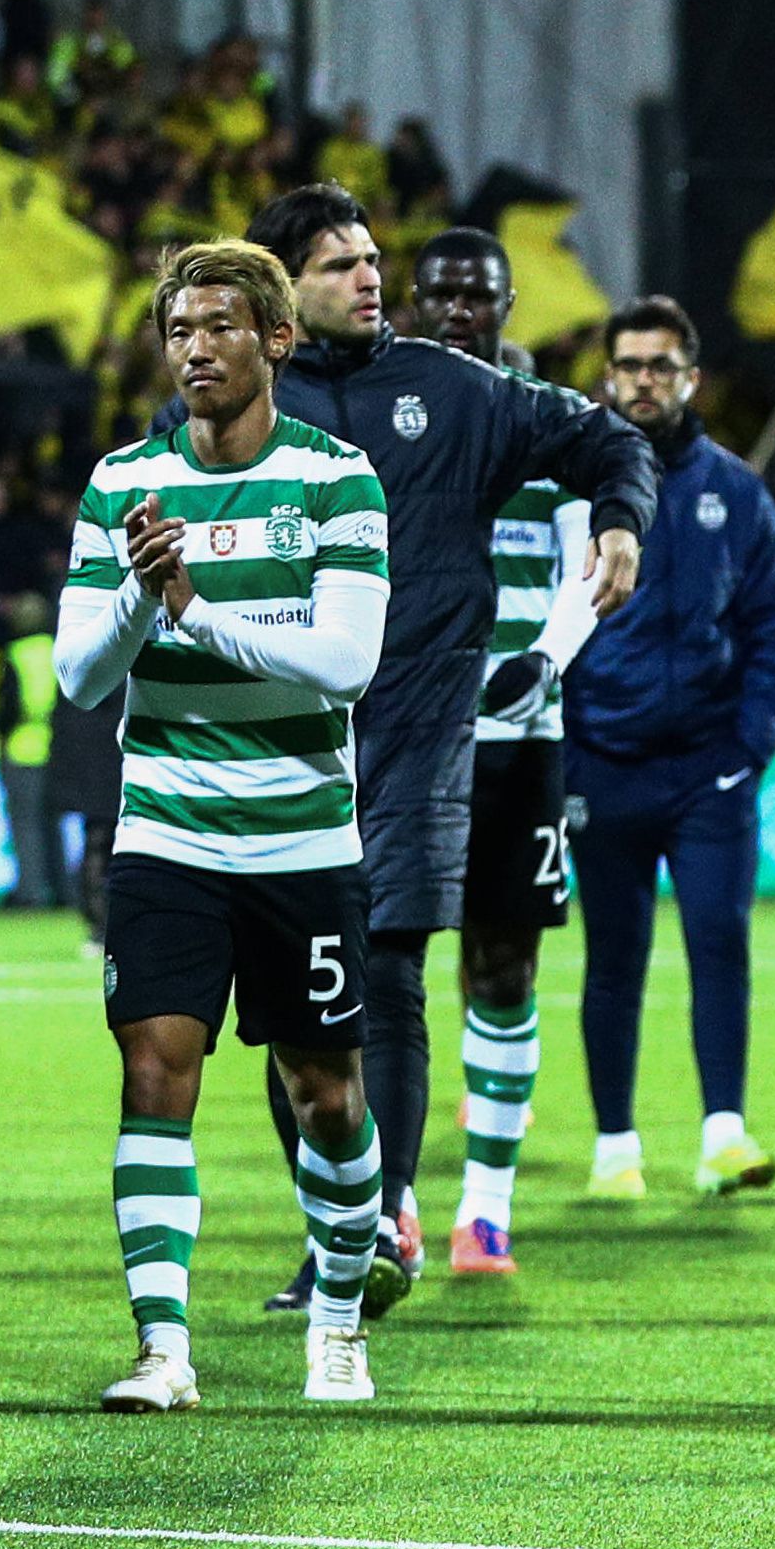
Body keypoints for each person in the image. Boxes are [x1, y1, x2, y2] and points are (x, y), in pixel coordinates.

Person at [209, 183, 653, 1313]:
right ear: (279, 293)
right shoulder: (234, 406)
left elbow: (607, 439)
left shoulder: (453, 389)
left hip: (418, 728)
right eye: (340, 263)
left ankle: (388, 1215)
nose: (371, 276)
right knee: (292, 1006)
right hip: (280, 741)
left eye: (372, 257)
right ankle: (333, 1228)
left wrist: (619, 519)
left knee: (391, 972)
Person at [59, 241, 393, 1408]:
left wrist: (194, 610)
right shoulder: (122, 485)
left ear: (276, 340)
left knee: (327, 1096)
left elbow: (345, 665)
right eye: (179, 331)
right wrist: (138, 594)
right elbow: (80, 680)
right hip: (168, 831)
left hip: (303, 838)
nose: (195, 349)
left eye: (219, 327)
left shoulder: (336, 479)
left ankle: (338, 1318)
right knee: (155, 1070)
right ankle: (164, 1348)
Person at [563, 297, 775, 1205]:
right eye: (630, 365)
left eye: (661, 366)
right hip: (603, 762)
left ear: (691, 379)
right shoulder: (570, 490)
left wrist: (750, 742)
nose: (644, 381)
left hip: (709, 767)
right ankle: (614, 1146)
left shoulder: (735, 490)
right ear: (607, 378)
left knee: (719, 939)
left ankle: (722, 1135)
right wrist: (567, 753)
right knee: (613, 957)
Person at [400, 233, 606, 1274]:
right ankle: (387, 1201)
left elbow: (588, 566)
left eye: (475, 295)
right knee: (385, 966)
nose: (458, 310)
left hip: (518, 740)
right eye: (441, 294)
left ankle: (485, 1208)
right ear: (413, 302)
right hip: (401, 738)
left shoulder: (548, 426)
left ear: (506, 303)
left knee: (503, 965)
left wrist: (546, 658)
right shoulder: (379, 417)